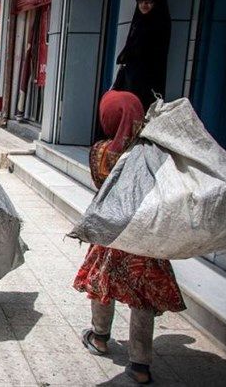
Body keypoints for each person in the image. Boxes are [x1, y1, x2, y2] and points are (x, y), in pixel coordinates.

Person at [73, 90, 186, 384]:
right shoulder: (154, 155)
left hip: (112, 235)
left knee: (102, 285)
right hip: (145, 238)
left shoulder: (100, 152)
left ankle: (99, 337)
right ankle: (140, 365)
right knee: (143, 298)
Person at [113, 0, 171, 111]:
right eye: (140, 0)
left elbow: (152, 58)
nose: (144, 5)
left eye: (149, 1)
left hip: (147, 85)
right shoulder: (138, 23)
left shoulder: (159, 26)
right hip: (130, 81)